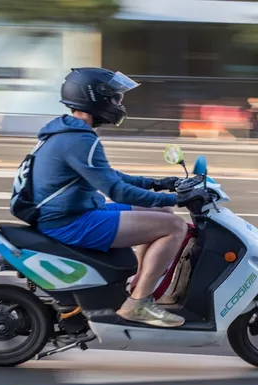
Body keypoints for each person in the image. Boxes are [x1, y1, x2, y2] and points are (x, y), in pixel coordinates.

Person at [26, 67, 209, 328]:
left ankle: (137, 287)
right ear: (94, 97)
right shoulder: (78, 139)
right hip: (70, 222)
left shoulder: (67, 133)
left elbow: (109, 175)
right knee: (175, 226)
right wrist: (177, 200)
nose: (118, 103)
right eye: (114, 97)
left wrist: (160, 184)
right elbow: (116, 190)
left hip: (72, 213)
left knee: (161, 216)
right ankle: (139, 303)